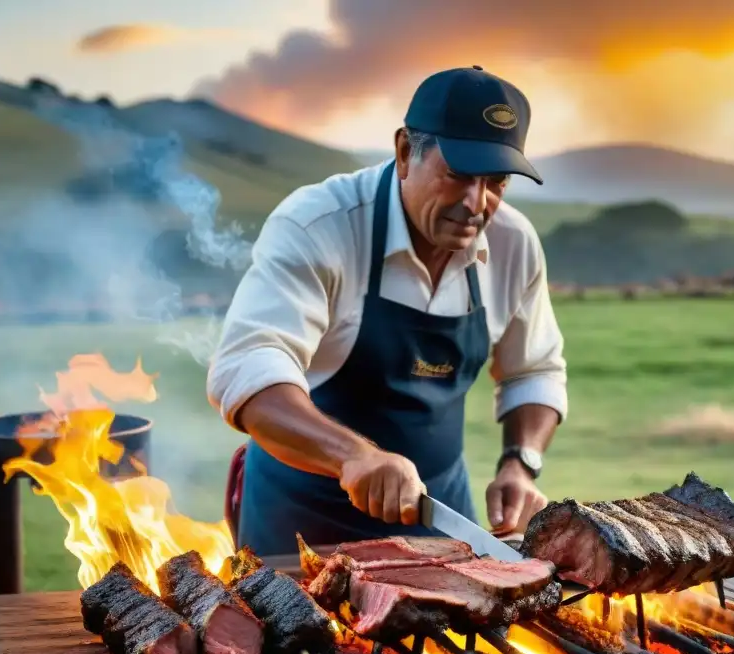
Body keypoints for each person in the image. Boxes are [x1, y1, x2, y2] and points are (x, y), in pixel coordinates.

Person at [207, 65, 567, 555]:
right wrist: (354, 456)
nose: (475, 204)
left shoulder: (513, 243)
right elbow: (246, 370)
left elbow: (534, 370)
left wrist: (519, 464)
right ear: (404, 152)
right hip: (298, 526)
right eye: (457, 174)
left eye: (496, 182)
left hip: (440, 522)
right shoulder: (319, 224)